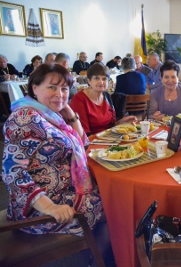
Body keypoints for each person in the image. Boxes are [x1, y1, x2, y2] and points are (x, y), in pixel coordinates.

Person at [1, 64, 113, 265]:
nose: (60, 94)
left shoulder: (50, 114)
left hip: (68, 191)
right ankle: (100, 259)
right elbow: (12, 172)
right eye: (52, 87)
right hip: (41, 206)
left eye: (64, 89)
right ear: (34, 87)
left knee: (114, 197)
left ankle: (98, 257)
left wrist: (68, 111)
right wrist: (50, 207)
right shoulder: (24, 118)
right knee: (116, 206)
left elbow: (82, 142)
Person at [70, 63, 137, 135]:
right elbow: (84, 135)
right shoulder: (79, 99)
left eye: (104, 79)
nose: (101, 82)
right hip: (92, 142)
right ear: (89, 81)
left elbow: (111, 126)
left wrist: (121, 122)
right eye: (96, 78)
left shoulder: (106, 96)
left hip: (108, 138)